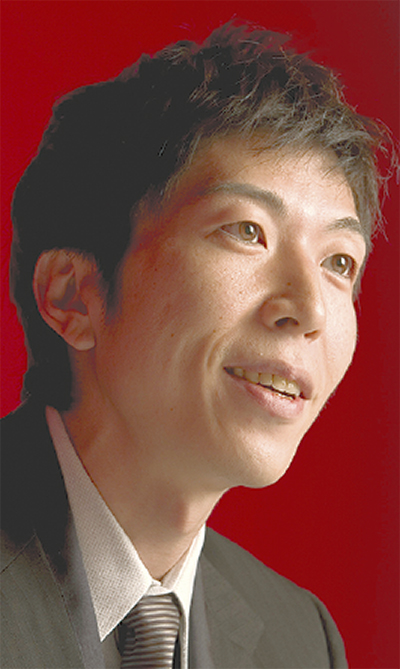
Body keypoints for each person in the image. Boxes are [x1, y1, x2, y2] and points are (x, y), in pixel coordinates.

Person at [0, 21, 392, 669]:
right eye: (246, 230)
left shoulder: (304, 639)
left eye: (339, 262)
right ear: (73, 295)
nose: (310, 309)